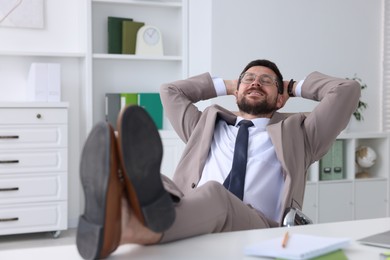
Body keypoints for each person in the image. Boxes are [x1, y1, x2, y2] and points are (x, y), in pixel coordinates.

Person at [76, 59, 360, 259]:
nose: (256, 83)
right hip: (192, 209)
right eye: (248, 79)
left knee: (214, 193)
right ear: (236, 90)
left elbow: (346, 91)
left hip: (260, 226)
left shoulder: (302, 133)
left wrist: (294, 85)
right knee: (160, 181)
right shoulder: (204, 125)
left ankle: (123, 229)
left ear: (280, 98)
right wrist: (231, 84)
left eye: (267, 82)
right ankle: (119, 210)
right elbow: (170, 91)